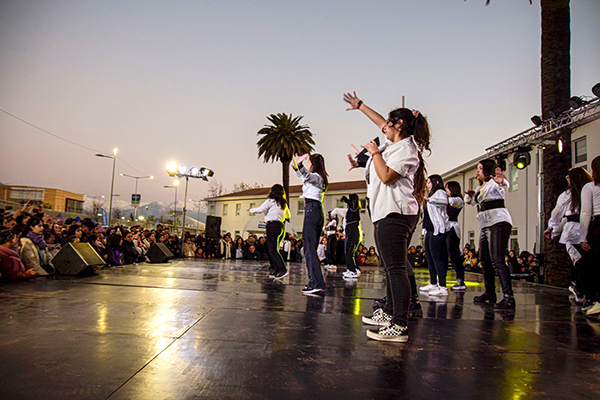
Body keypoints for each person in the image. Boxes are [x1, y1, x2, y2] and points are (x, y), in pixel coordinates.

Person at [344, 91, 429, 342]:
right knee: (390, 267)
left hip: (397, 213)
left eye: (389, 124)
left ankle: (399, 324)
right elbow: (379, 120)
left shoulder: (407, 149)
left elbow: (387, 176)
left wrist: (374, 153)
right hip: (385, 212)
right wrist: (360, 106)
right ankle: (391, 311)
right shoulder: (395, 143)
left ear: (399, 125)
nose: (384, 128)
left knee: (396, 268)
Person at [465, 159, 515, 310]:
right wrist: (472, 195)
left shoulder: (494, 184)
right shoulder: (481, 188)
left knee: (497, 260)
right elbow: (471, 202)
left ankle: (508, 297)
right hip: (485, 225)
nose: (477, 171)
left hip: (498, 222)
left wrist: (501, 181)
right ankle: (490, 293)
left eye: (480, 168)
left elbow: (503, 186)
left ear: (487, 171)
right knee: (485, 260)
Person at [544, 167, 592, 305]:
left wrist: (552, 228)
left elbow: (558, 213)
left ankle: (583, 292)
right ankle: (587, 293)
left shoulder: (568, 195)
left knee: (578, 262)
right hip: (589, 228)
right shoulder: (591, 190)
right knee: (587, 262)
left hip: (573, 231)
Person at [292, 153, 328, 295]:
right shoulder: (319, 178)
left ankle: (316, 283)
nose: (308, 165)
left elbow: (306, 175)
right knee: (310, 248)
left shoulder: (317, 177)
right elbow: (303, 176)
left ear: (313, 164)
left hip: (312, 210)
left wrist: (299, 165)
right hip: (315, 210)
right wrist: (297, 167)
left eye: (309, 163)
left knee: (309, 248)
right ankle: (315, 281)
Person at [249, 184, 291, 279]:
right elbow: (288, 215)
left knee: (272, 249)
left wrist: (251, 210)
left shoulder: (270, 201)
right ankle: (275, 268)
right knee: (267, 246)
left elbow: (260, 209)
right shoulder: (283, 203)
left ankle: (282, 269)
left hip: (272, 226)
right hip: (280, 226)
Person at [420, 175, 450, 297]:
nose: (427, 185)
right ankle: (433, 282)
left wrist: (429, 200)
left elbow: (444, 201)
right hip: (429, 229)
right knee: (429, 257)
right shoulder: (431, 196)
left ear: (436, 182)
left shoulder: (440, 192)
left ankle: (442, 285)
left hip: (438, 229)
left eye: (429, 182)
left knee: (437, 257)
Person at [580, 156, 600, 316]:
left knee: (590, 264)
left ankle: (595, 300)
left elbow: (586, 212)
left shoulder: (590, 187)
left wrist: (582, 236)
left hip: (597, 225)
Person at [332, 194, 363, 279]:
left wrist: (346, 199)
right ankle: (352, 269)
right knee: (349, 252)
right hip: (351, 232)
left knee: (348, 251)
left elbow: (352, 206)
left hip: (352, 233)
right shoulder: (351, 211)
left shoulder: (354, 210)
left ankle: (352, 271)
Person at [446, 181, 466, 291]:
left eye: (447, 189)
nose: (446, 191)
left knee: (454, 254)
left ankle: (460, 279)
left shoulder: (457, 200)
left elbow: (451, 202)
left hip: (453, 228)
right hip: (445, 228)